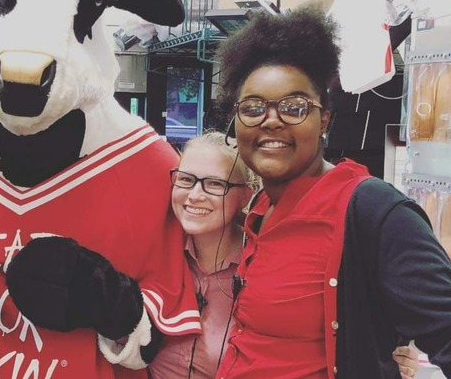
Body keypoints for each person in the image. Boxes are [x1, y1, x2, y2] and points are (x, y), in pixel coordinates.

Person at [211, 6, 451, 378]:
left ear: (325, 121)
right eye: (252, 108)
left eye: (294, 107)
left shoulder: (373, 212)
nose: (270, 119)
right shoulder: (260, 207)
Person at [145, 131, 421, 379]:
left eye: (215, 184)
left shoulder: (269, 270)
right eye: (186, 179)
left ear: (246, 195)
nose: (195, 194)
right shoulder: (149, 254)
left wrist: (383, 354)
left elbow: (331, 333)